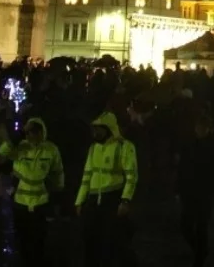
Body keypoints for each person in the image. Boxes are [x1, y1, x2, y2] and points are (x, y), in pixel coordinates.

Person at [77, 111, 139, 267]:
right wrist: (80, 200)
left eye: (99, 128)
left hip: (112, 200)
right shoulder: (93, 148)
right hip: (93, 201)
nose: (96, 132)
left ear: (109, 128)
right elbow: (87, 176)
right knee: (90, 241)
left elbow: (132, 176)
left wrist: (125, 200)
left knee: (112, 244)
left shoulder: (124, 146)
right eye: (95, 129)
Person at [9, 117, 64, 266]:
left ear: (40, 133)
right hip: (21, 203)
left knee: (39, 241)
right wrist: (17, 136)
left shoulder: (51, 149)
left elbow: (58, 172)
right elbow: (3, 150)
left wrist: (57, 194)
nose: (30, 136)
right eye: (27, 133)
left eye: (33, 132)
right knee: (23, 240)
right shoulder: (21, 147)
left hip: (41, 203)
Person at [177, 108, 214, 267]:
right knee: (186, 225)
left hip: (204, 193)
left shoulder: (213, 147)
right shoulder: (190, 145)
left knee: (201, 226)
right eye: (197, 127)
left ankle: (200, 257)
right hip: (190, 192)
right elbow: (182, 168)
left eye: (201, 128)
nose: (198, 130)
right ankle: (200, 251)